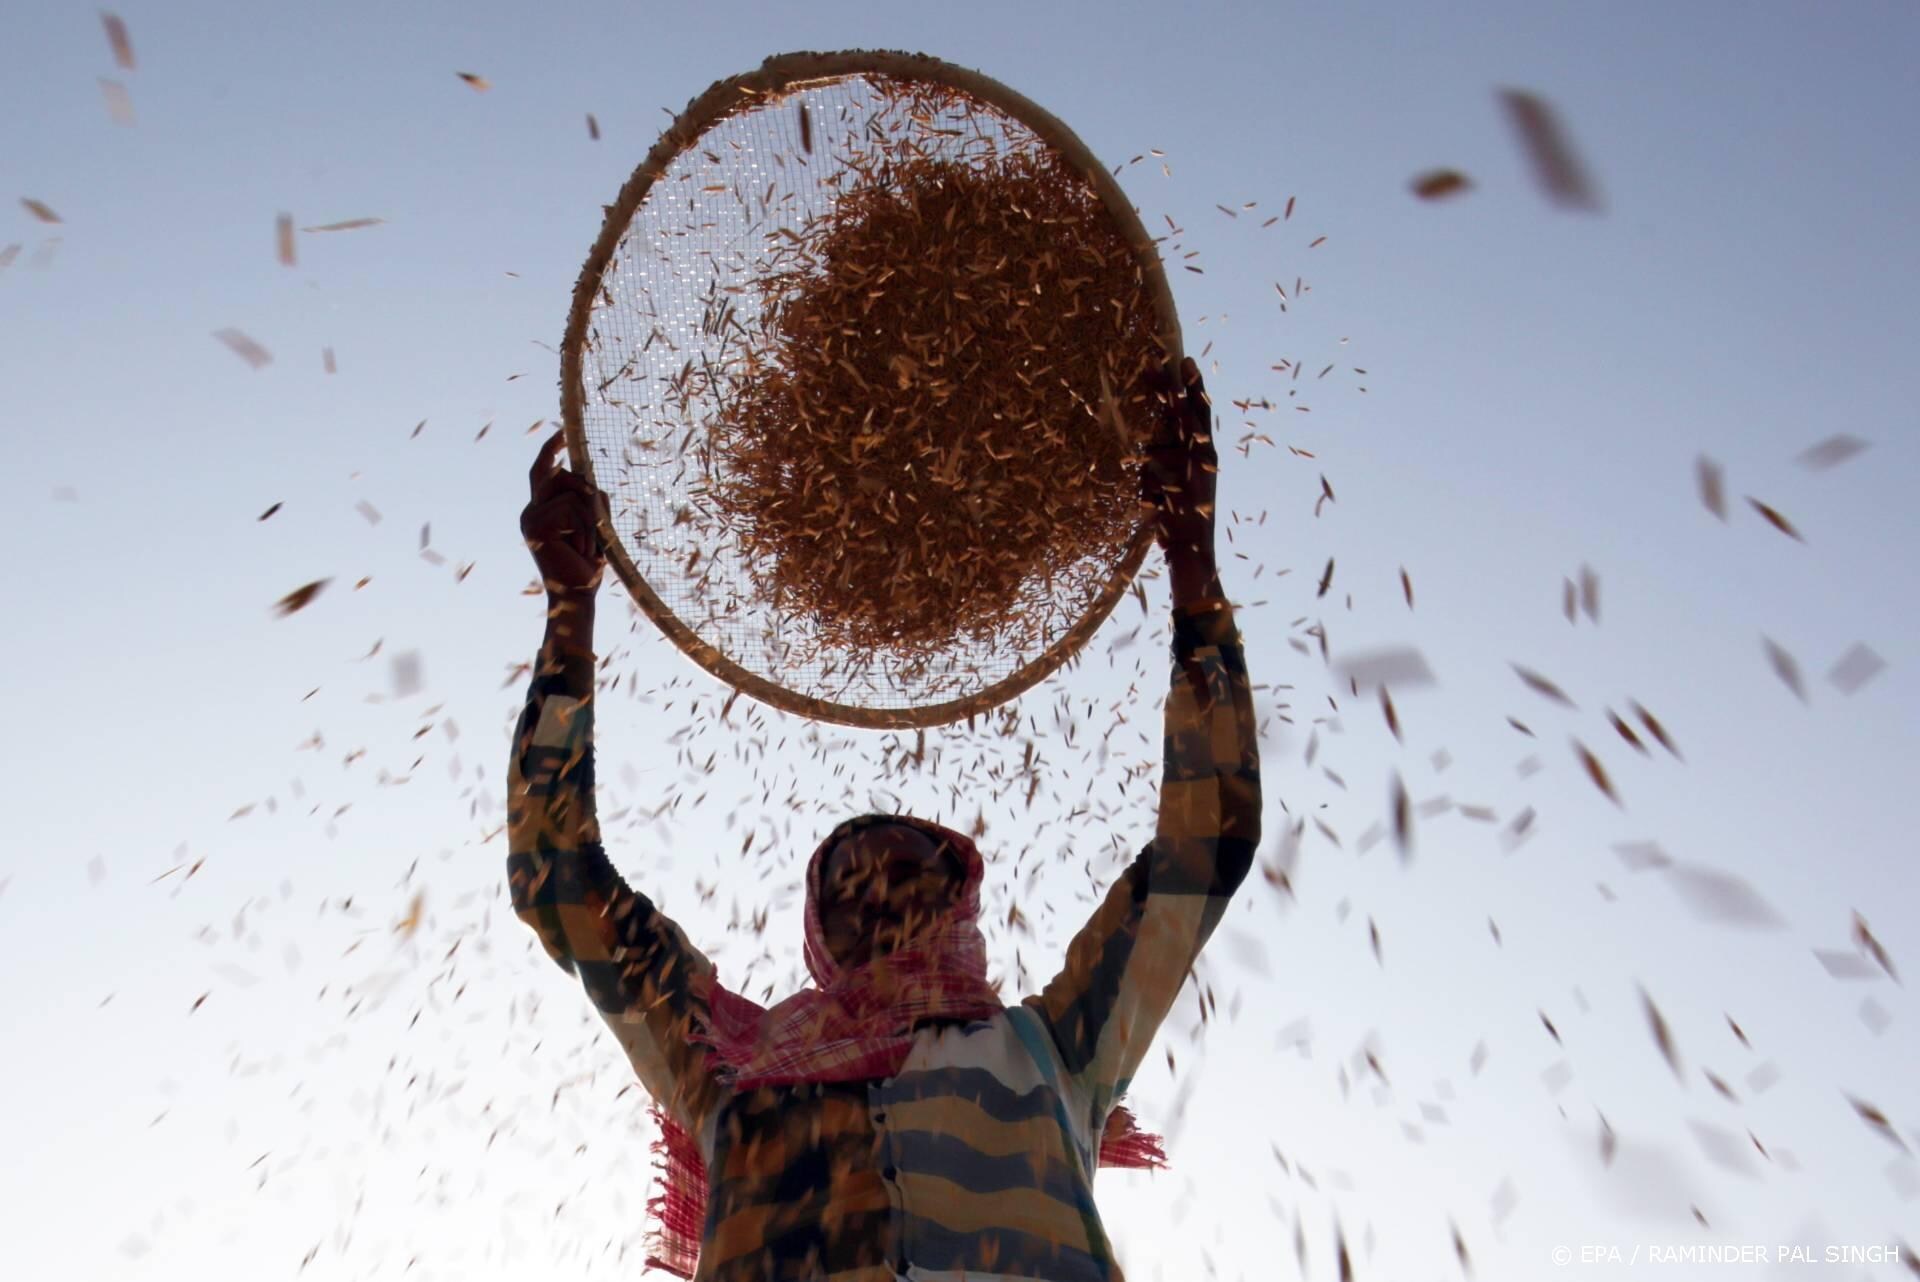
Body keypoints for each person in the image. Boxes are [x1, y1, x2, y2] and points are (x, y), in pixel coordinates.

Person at [509, 357, 1262, 1281]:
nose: (878, 897)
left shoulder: (1056, 1049)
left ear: (958, 904)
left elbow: (1207, 842)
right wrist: (569, 614)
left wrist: (1194, 566)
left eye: (906, 875)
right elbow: (557, 876)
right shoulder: (724, 1065)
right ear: (818, 936)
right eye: (849, 890)